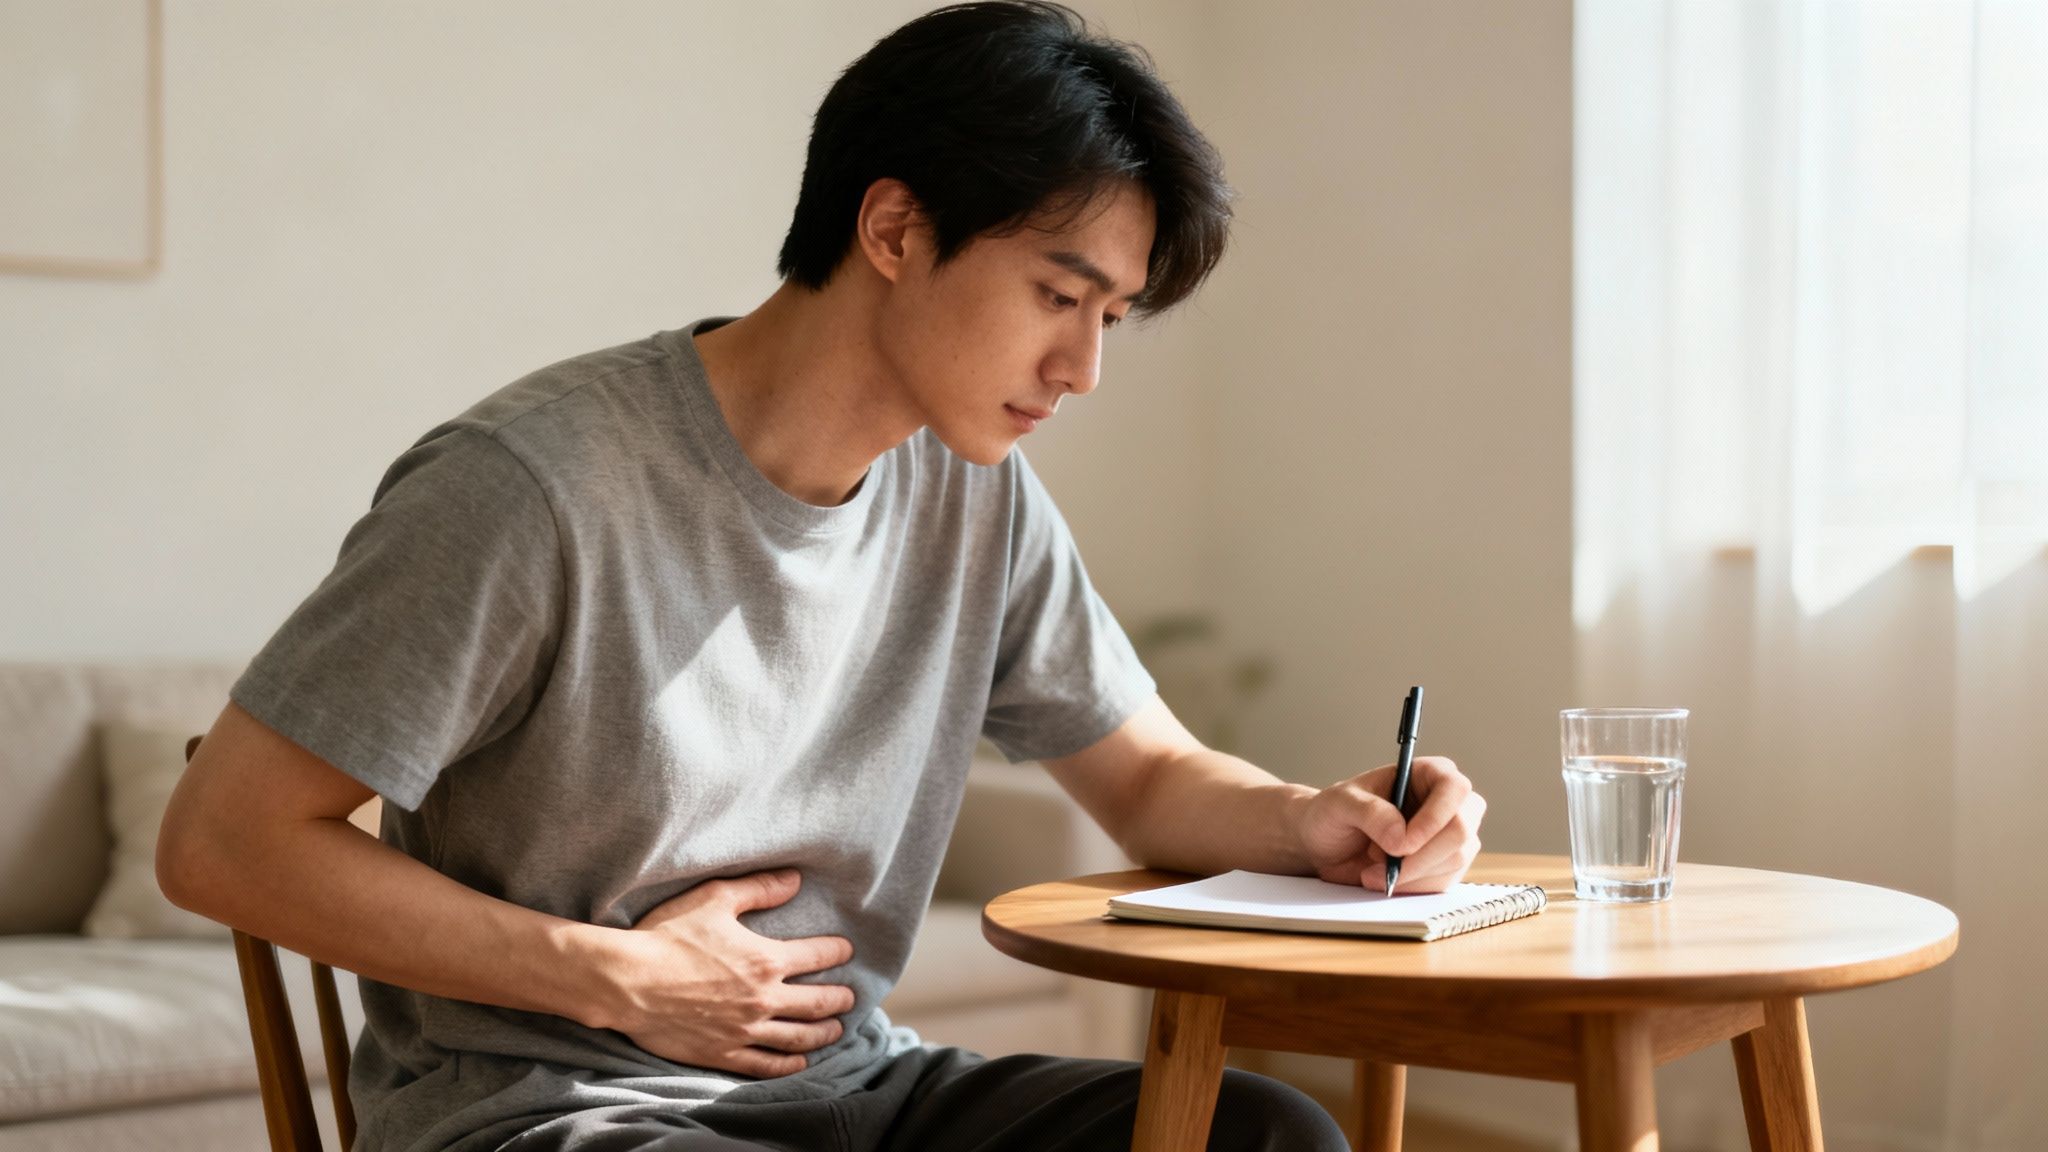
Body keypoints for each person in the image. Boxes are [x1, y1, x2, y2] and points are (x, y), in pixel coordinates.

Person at [158, 4, 1486, 1150]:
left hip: (853, 1096)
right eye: (1056, 295)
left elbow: (1143, 776)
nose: (1083, 370)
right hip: (558, 1109)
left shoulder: (977, 492)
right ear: (896, 230)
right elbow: (222, 839)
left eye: (1111, 318)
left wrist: (1313, 821)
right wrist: (620, 977)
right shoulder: (530, 487)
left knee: (1263, 1132)